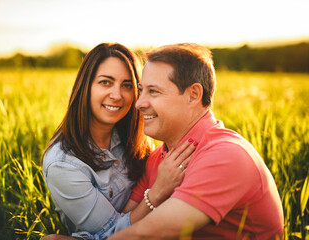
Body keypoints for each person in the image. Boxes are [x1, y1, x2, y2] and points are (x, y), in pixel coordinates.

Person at [109, 43, 284, 240]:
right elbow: (121, 224)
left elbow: (144, 235)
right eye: (141, 90)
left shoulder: (226, 155)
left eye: (154, 91)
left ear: (193, 95)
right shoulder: (159, 157)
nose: (139, 103)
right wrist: (156, 192)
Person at [41, 43, 196, 240]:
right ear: (85, 86)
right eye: (106, 82)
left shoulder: (132, 136)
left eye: (127, 85)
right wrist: (157, 192)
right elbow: (110, 233)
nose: (117, 95)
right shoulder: (63, 163)